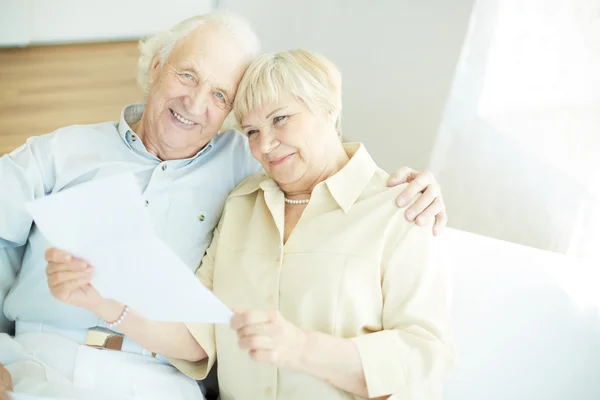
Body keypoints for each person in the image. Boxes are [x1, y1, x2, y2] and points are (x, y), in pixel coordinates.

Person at [0, 11, 448, 400]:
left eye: (220, 96)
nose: (194, 105)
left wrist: (420, 186)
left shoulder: (252, 163)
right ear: (157, 66)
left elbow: (320, 167)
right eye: (187, 75)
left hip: (159, 376)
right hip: (40, 355)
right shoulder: (62, 153)